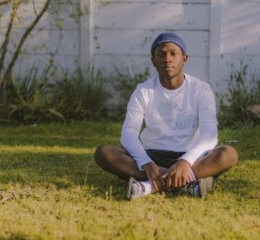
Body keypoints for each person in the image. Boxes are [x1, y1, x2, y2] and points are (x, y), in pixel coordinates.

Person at [94, 31, 238, 200]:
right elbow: (129, 133)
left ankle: (149, 186)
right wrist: (146, 163)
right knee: (104, 153)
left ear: (184, 59)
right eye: (160, 55)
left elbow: (209, 135)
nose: (167, 59)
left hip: (190, 155)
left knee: (228, 154)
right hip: (152, 155)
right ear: (153, 61)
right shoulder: (143, 90)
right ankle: (188, 183)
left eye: (173, 54)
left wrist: (186, 162)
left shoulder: (201, 89)